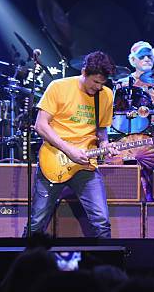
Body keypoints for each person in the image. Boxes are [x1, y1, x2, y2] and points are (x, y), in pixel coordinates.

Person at [26, 51, 118, 238]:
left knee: (101, 222)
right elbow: (40, 125)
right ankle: (24, 265)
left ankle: (108, 266)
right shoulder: (59, 87)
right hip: (54, 161)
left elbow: (101, 130)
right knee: (37, 223)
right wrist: (70, 150)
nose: (98, 87)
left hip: (86, 165)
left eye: (102, 83)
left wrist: (106, 144)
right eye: (95, 82)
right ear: (84, 72)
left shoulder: (106, 95)